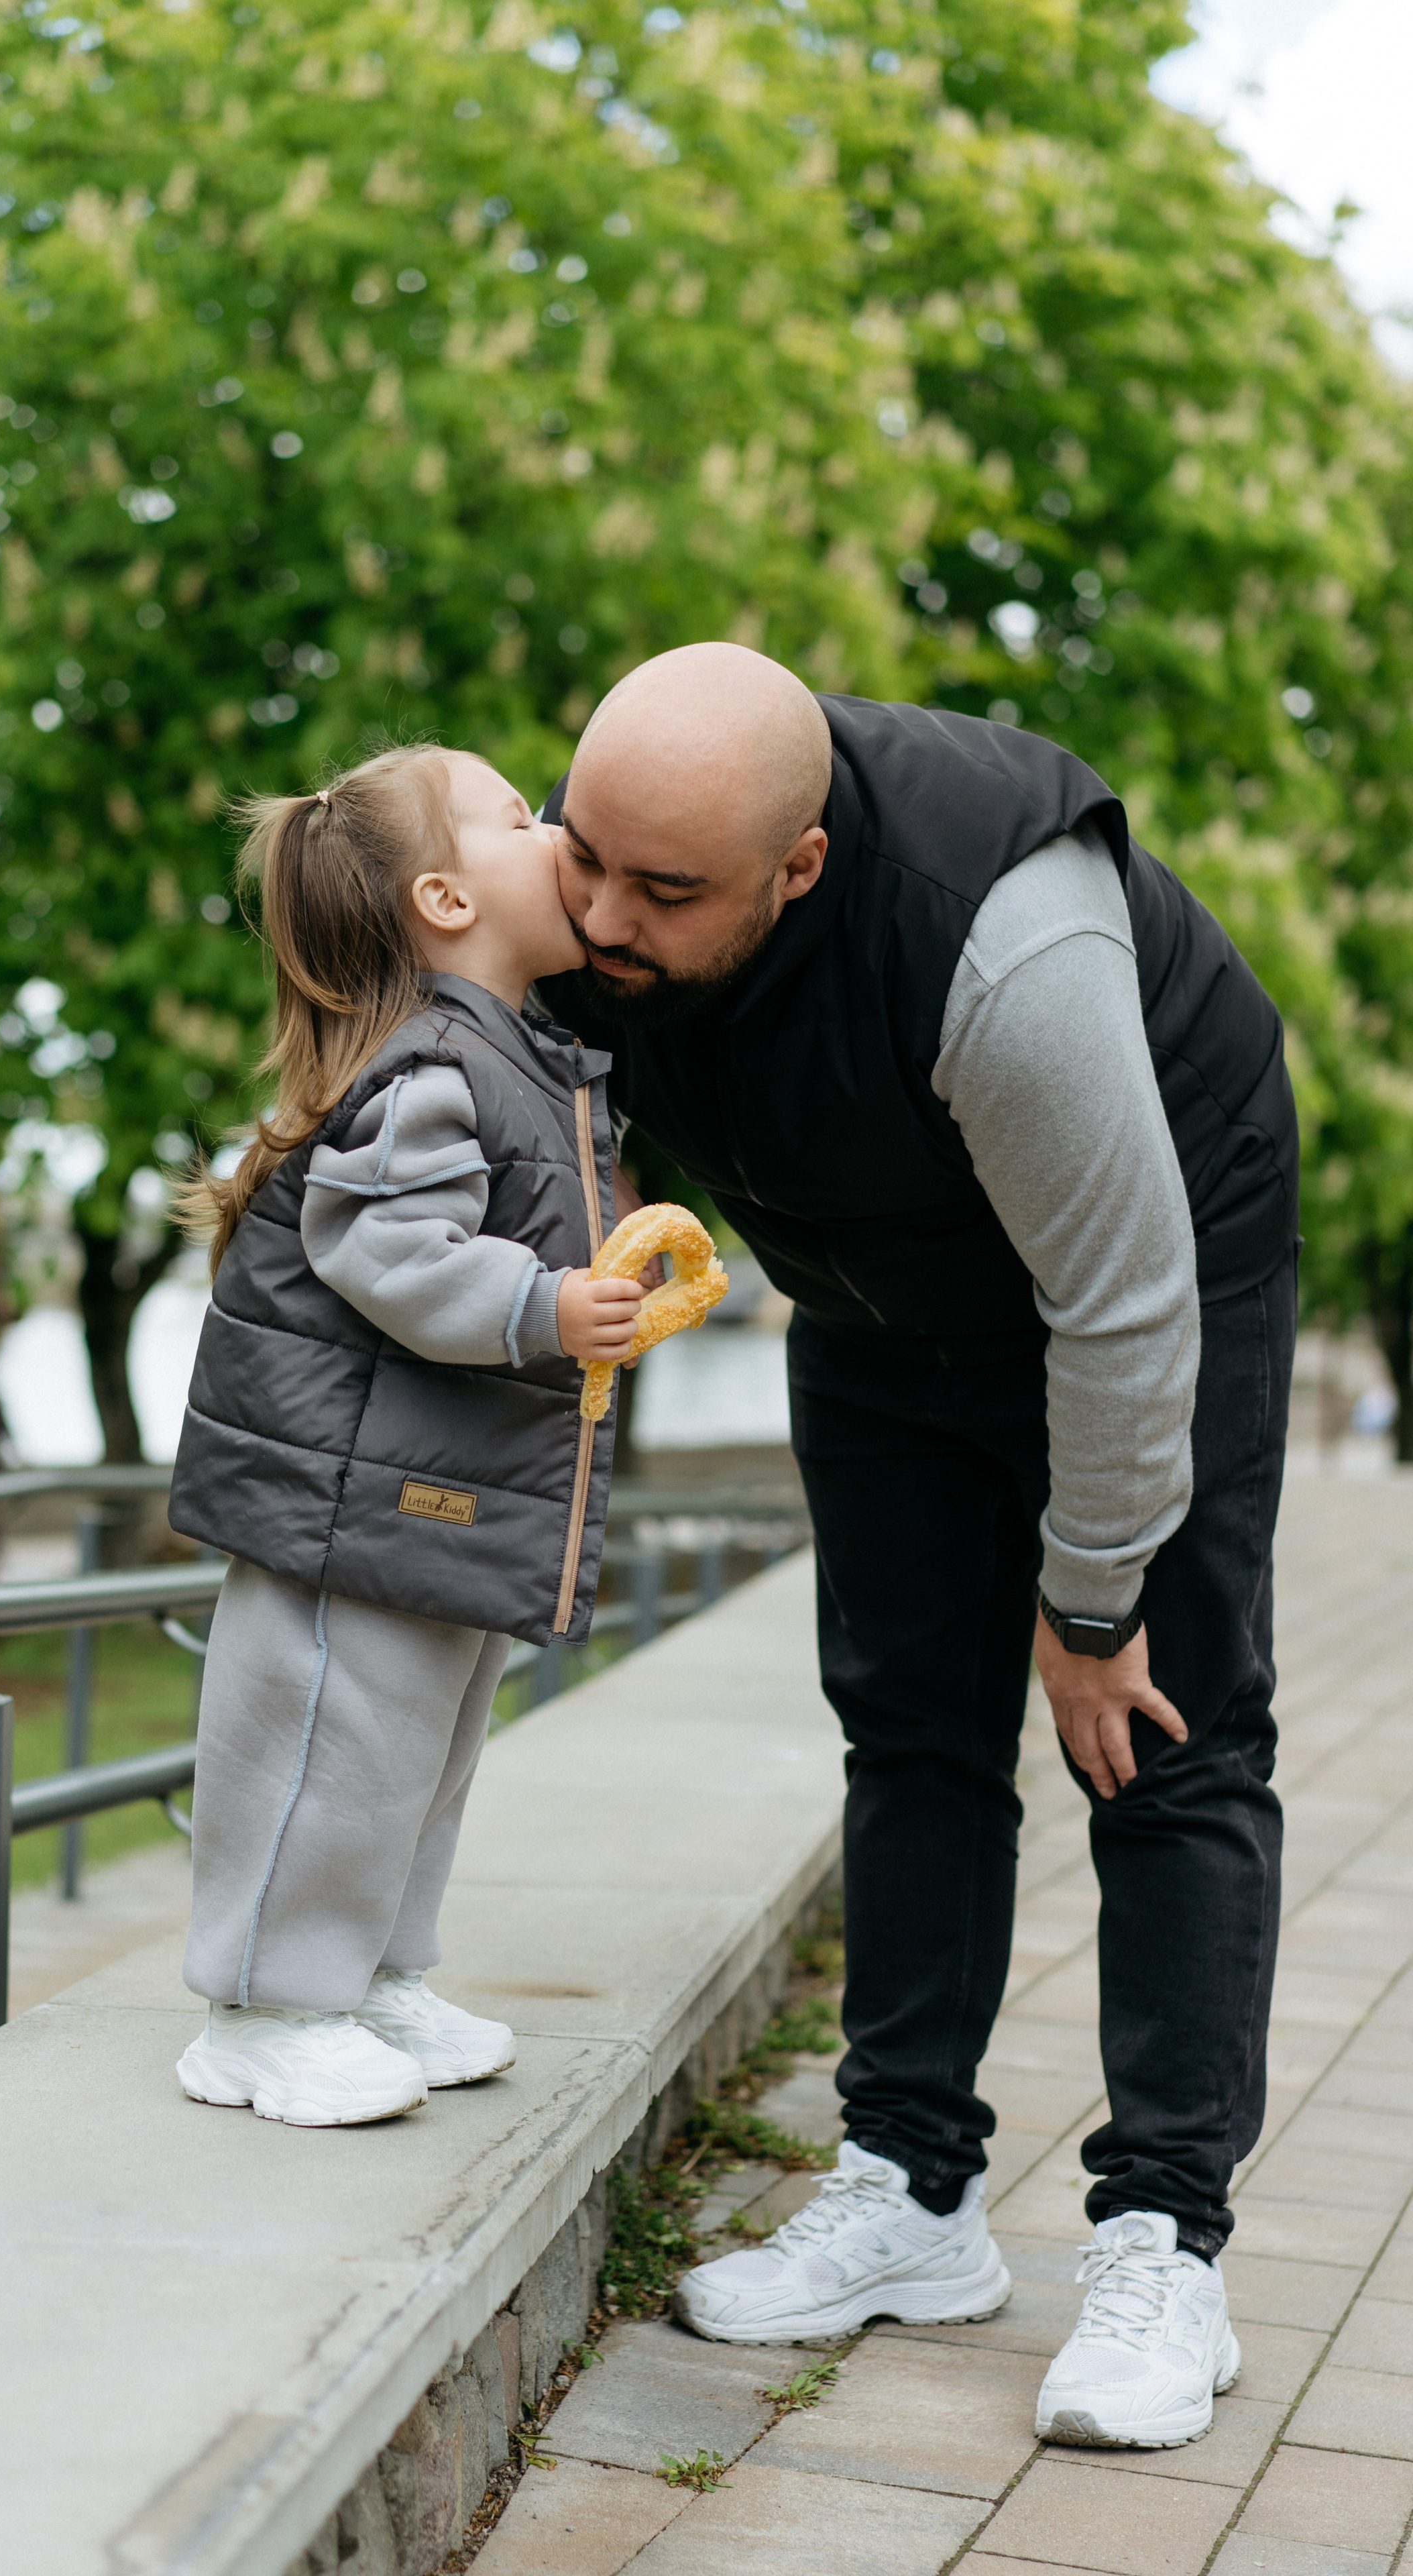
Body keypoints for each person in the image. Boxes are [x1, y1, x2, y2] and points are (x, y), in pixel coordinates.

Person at [535, 643, 1298, 2451]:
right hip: (874, 1288)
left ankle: (1164, 2243)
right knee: (909, 1719)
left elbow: (1121, 1303)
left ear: (798, 867)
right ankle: (912, 2194)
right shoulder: (593, 876)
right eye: (583, 858)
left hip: (1146, 1255)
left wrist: (1094, 1598)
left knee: (1160, 1734)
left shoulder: (1001, 942)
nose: (602, 919)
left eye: (665, 893)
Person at [166, 745, 644, 2127]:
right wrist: (544, 1305)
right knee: (318, 1748)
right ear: (444, 899)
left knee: (411, 1765)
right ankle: (258, 2011)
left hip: (421, 1498)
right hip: (346, 1511)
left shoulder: (505, 1054)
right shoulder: (431, 1063)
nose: (551, 827)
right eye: (516, 816)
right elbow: (385, 1246)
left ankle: (366, 1975)